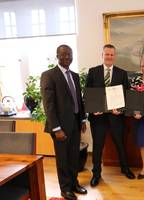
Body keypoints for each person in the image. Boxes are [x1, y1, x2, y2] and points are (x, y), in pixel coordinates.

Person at [40, 44, 87, 200]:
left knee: (74, 157)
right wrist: (56, 128)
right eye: (64, 54)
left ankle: (74, 184)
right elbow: (49, 105)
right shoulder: (49, 75)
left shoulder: (74, 76)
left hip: (75, 123)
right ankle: (65, 189)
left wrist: (82, 119)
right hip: (60, 127)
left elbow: (78, 100)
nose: (67, 57)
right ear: (57, 56)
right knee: (63, 159)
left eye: (70, 54)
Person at [85, 44, 135, 187]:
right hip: (98, 117)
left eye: (112, 54)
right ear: (102, 55)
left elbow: (127, 95)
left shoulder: (122, 73)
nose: (109, 57)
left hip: (116, 117)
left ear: (115, 56)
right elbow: (87, 94)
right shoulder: (93, 72)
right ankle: (96, 174)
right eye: (107, 54)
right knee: (98, 146)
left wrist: (121, 109)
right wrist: (93, 109)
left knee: (120, 144)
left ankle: (125, 169)